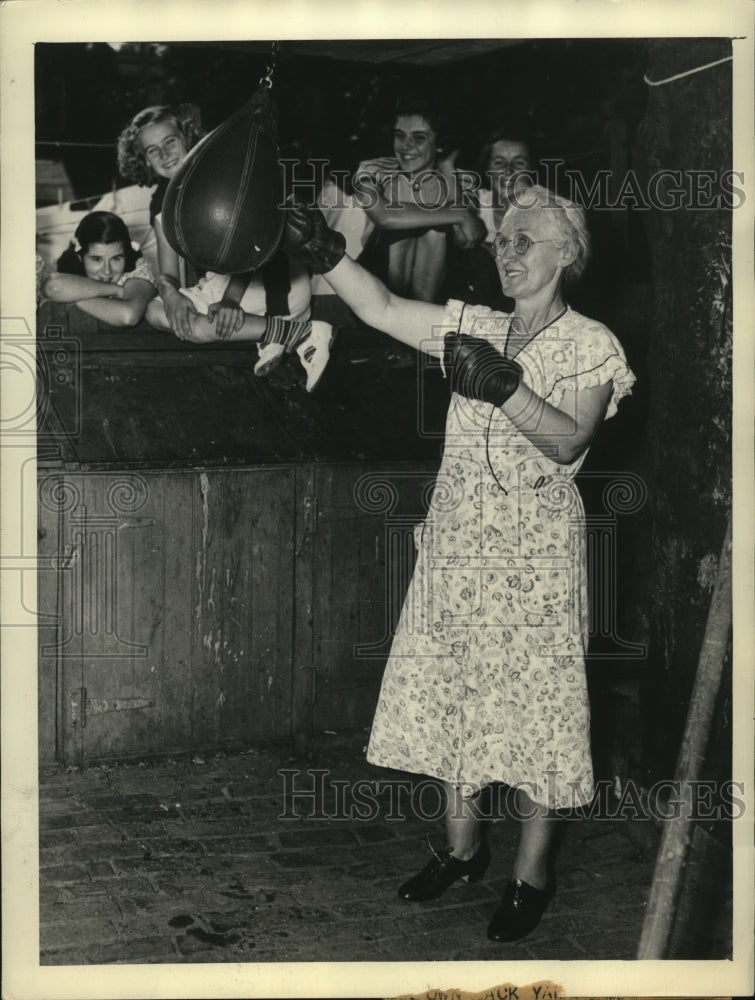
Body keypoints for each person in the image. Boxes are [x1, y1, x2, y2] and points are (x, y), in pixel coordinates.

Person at [284, 185, 636, 942]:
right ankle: (462, 850)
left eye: (524, 240)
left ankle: (531, 875)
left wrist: (505, 388)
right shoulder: (475, 324)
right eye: (502, 239)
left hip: (535, 562)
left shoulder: (592, 343)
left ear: (567, 252)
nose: (506, 251)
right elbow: (381, 307)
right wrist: (326, 253)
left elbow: (569, 440)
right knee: (455, 694)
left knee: (540, 716)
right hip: (458, 547)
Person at [116, 104, 332, 391]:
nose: (165, 154)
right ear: (144, 160)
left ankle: (302, 333)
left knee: (185, 321)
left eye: (170, 141)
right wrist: (169, 294)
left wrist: (231, 300)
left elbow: (253, 247)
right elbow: (169, 274)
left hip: (273, 281)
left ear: (187, 137)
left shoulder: (222, 174)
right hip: (229, 290)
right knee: (158, 310)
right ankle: (275, 333)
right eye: (153, 150)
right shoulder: (162, 202)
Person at [354, 97, 487, 303]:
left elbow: (467, 237)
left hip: (437, 295)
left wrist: (448, 171)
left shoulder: (461, 178)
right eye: (400, 136)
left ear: (439, 144)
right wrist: (459, 215)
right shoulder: (374, 169)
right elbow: (383, 217)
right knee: (405, 226)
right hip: (376, 291)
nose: (406, 146)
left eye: (419, 138)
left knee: (435, 230)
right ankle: (397, 313)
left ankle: (418, 314)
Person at [41, 211, 156, 327]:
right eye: (97, 259)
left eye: (116, 259)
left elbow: (128, 316)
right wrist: (117, 290)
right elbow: (53, 287)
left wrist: (72, 295)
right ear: (80, 257)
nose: (107, 271)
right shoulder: (72, 269)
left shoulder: (137, 272)